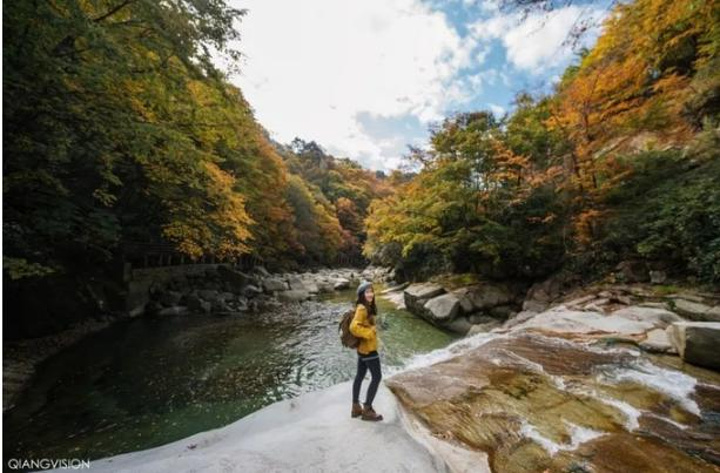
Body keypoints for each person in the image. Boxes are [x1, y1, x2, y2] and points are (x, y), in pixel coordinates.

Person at [350, 281, 383, 421]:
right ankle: (367, 410)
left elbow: (365, 324)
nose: (370, 294)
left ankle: (356, 407)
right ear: (362, 294)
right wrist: (370, 332)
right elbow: (353, 327)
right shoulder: (362, 308)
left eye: (371, 291)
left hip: (362, 349)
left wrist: (377, 326)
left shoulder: (366, 307)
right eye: (367, 292)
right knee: (377, 377)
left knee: (359, 376)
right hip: (369, 350)